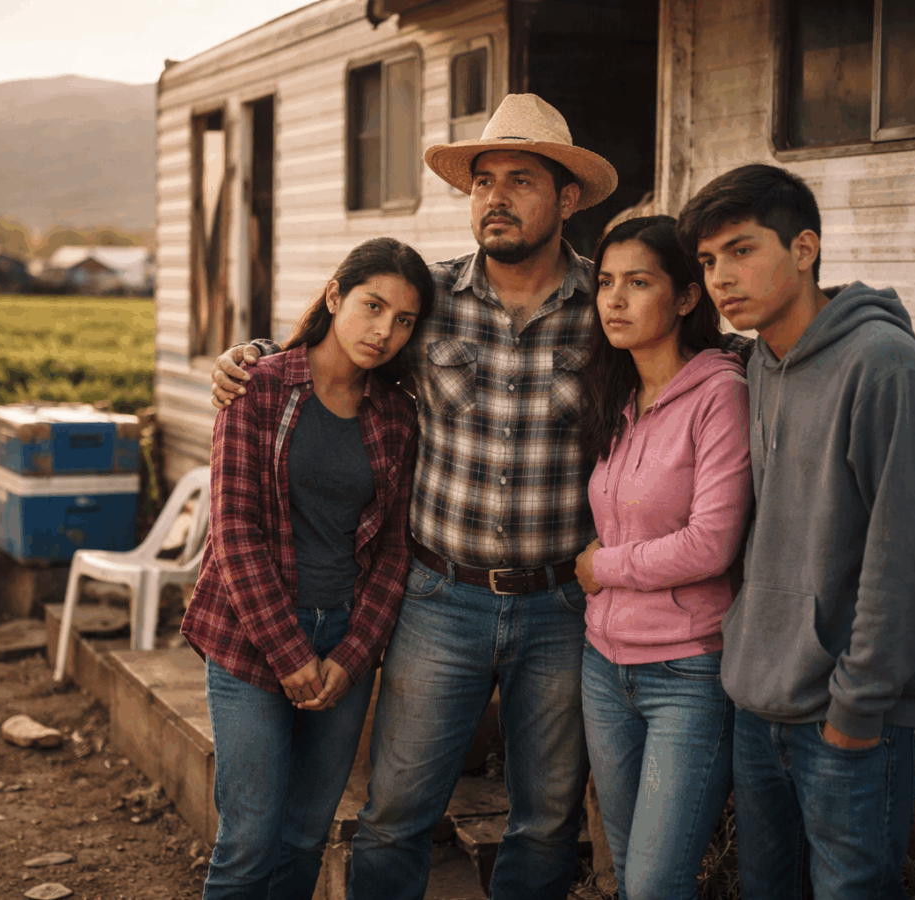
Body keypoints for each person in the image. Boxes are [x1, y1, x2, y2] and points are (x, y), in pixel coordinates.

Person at [208, 94, 619, 900]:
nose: (495, 198)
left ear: (568, 198)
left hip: (559, 605)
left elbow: (693, 361)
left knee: (546, 820)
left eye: (521, 181)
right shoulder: (428, 303)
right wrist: (250, 357)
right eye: (483, 181)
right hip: (438, 598)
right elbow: (334, 356)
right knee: (395, 813)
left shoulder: (606, 308)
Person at [677, 164, 915, 899]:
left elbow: (911, 560)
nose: (720, 277)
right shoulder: (757, 364)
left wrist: (857, 709)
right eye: (708, 260)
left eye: (742, 250)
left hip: (851, 716)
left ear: (804, 248)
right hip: (760, 702)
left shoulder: (886, 369)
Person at [180, 236, 433, 900]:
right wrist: (291, 655)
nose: (384, 331)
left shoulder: (397, 416)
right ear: (334, 296)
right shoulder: (258, 387)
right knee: (249, 840)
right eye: (372, 306)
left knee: (304, 837)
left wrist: (352, 656)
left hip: (345, 640)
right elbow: (234, 531)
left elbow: (393, 552)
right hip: (250, 638)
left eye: (404, 320)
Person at [572, 214, 751, 900]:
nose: (614, 300)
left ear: (685, 297)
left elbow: (712, 544)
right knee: (627, 871)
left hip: (687, 671)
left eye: (638, 283)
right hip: (603, 667)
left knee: (655, 882)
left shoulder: (720, 395)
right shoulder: (619, 394)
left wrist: (603, 568)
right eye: (606, 283)